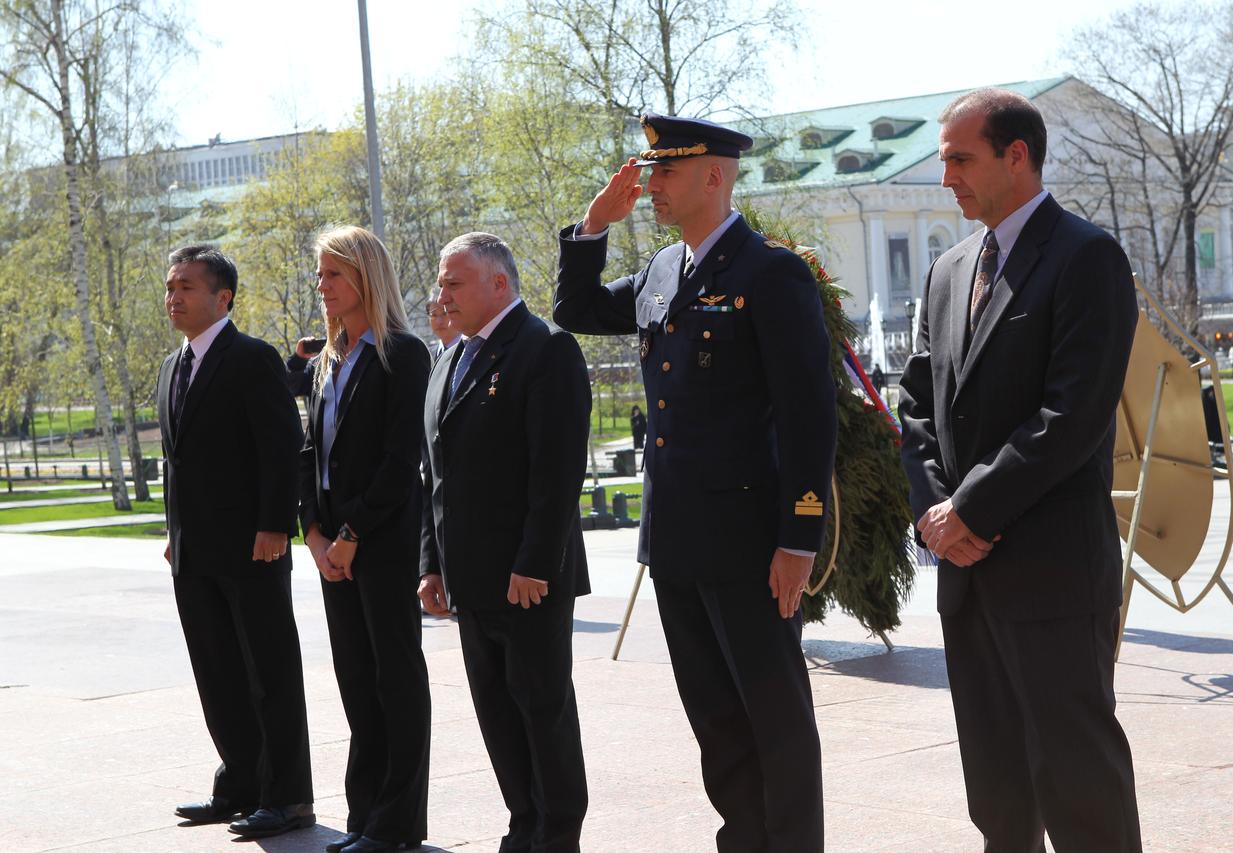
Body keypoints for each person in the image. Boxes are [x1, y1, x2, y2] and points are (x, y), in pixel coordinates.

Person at [554, 114, 836, 853]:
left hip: (749, 542)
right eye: (649, 172)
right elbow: (575, 310)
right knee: (715, 719)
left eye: (666, 172)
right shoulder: (659, 273)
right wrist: (592, 224)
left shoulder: (770, 273)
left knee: (774, 719)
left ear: (715, 176)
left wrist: (798, 538)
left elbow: (809, 416)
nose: (650, 185)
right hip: (676, 539)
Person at [897, 89, 1142, 852]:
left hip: (1054, 578)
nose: (947, 180)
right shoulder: (947, 269)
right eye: (943, 162)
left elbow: (1072, 417)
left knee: (1081, 793)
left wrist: (970, 510)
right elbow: (916, 409)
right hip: (967, 582)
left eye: (960, 160)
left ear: (1017, 156)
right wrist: (937, 515)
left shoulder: (1086, 256)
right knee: (998, 800)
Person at [419, 232, 592, 853]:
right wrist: (432, 566)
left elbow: (557, 471)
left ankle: (557, 834)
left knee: (542, 711)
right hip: (469, 578)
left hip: (528, 579)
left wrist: (536, 562)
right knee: (497, 713)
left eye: (453, 283)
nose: (442, 294)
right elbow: (434, 475)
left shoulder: (545, 350)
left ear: (499, 284)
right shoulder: (449, 361)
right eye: (442, 283)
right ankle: (524, 825)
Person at [157, 245, 314, 838]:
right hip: (194, 552)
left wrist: (276, 523)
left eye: (187, 287)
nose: (174, 296)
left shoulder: (251, 358)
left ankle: (289, 797)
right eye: (171, 286)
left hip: (254, 547)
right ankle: (241, 785)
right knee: (217, 672)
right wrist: (176, 533)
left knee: (268, 672)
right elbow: (178, 462)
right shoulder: (173, 365)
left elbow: (279, 446)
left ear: (223, 298)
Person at [298, 225, 433, 853]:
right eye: (320, 275)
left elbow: (401, 460)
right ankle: (365, 816)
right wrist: (315, 531)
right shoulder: (328, 359)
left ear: (365, 278)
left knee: (395, 681)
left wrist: (351, 533)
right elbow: (311, 454)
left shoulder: (403, 355)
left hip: (380, 545)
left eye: (332, 275)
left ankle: (398, 824)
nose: (321, 287)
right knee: (357, 680)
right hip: (334, 549)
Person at [427, 286, 461, 358]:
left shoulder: (469, 352)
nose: (439, 321)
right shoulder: (427, 356)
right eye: (434, 315)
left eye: (445, 313)